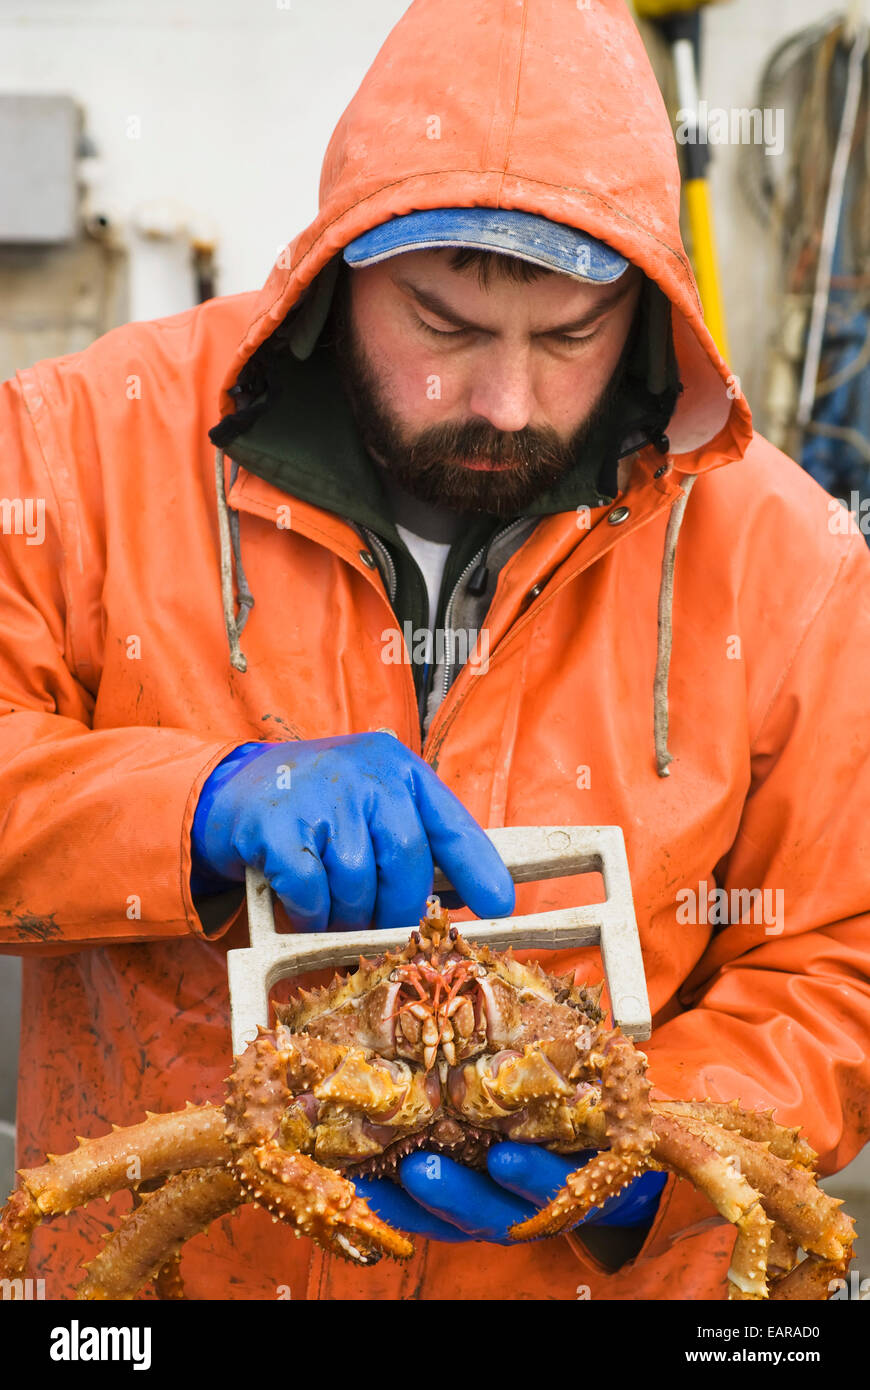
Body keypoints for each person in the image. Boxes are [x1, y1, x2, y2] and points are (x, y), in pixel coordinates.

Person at [1, 0, 868, 1301]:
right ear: (338, 265)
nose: (504, 399)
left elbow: (836, 959)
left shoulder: (789, 561)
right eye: (444, 325)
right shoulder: (79, 448)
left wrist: (648, 1162)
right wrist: (192, 803)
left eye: (570, 334)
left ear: (643, 309)